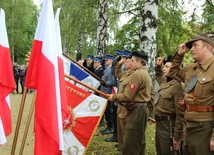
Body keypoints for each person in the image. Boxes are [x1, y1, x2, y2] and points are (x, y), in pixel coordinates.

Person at [168, 32, 214, 155]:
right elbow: (172, 73)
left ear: (207, 48)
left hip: (205, 127)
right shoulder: (192, 68)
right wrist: (179, 56)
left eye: (195, 45)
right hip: (188, 124)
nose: (191, 49)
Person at [108, 51, 153, 155]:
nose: (131, 63)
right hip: (141, 109)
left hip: (136, 111)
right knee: (139, 142)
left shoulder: (137, 74)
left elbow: (128, 96)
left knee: (130, 144)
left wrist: (114, 97)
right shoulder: (145, 73)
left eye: (133, 61)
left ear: (139, 62)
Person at [154, 55, 184, 155]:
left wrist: (177, 136)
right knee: (160, 151)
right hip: (160, 125)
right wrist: (158, 66)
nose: (164, 68)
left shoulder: (177, 86)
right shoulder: (166, 81)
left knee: (168, 152)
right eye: (164, 66)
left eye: (167, 67)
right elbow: (158, 75)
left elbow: (180, 114)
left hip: (169, 127)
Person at [100, 54, 117, 134]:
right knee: (106, 111)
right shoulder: (108, 68)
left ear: (111, 60)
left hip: (108, 92)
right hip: (104, 91)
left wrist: (105, 83)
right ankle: (109, 126)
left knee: (108, 111)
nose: (106, 61)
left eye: (107, 60)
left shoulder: (111, 70)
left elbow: (112, 82)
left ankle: (110, 126)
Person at [93, 56, 105, 127]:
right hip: (96, 89)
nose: (94, 63)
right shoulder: (96, 69)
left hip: (99, 89)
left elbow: (99, 80)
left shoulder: (101, 70)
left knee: (99, 104)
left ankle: (101, 120)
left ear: (99, 63)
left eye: (95, 62)